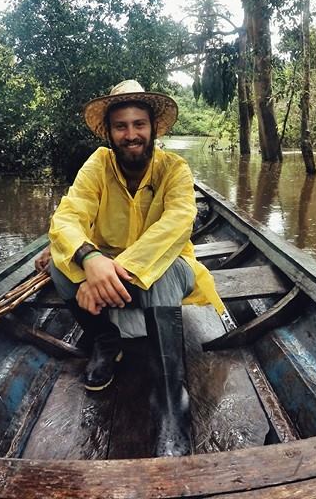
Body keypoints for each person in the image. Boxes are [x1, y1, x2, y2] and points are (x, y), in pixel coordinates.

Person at [47, 79, 225, 456]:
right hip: (106, 271)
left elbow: (175, 227)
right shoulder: (97, 164)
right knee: (59, 266)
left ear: (153, 128)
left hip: (165, 272)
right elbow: (66, 218)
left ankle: (170, 400)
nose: (131, 135)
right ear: (110, 133)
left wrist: (108, 271)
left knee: (160, 273)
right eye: (121, 126)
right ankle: (106, 340)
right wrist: (90, 258)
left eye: (139, 125)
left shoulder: (175, 170)